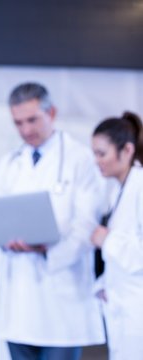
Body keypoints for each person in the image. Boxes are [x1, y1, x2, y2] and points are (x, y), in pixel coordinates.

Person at [0, 82, 105, 360]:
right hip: (18, 301)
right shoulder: (9, 163)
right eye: (18, 123)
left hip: (62, 297)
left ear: (52, 113)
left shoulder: (80, 159)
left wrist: (47, 249)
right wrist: (5, 241)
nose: (26, 130)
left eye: (32, 120)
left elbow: (86, 226)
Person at [90, 112, 143, 359]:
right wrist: (104, 284)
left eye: (102, 153)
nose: (96, 161)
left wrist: (106, 240)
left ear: (127, 150)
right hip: (122, 308)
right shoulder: (117, 190)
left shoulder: (140, 187)